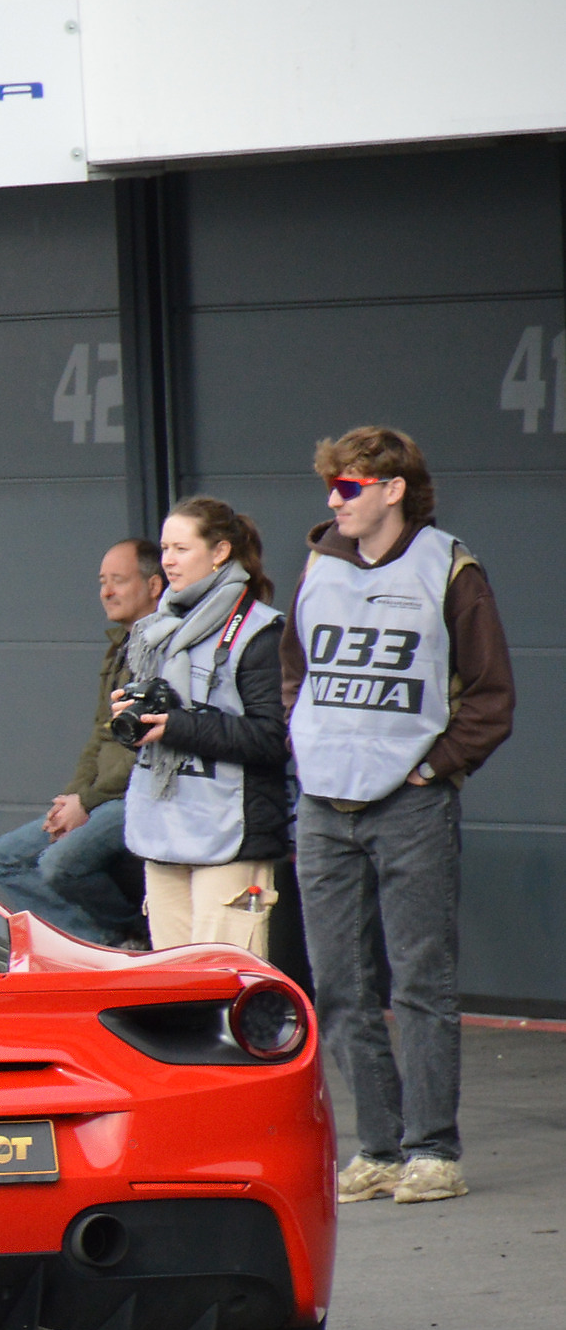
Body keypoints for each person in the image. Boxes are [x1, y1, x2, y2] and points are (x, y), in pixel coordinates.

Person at [285, 426, 516, 1207]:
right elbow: (294, 673)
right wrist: (306, 743)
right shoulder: (319, 565)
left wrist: (434, 768)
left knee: (421, 980)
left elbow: (490, 694)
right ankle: (379, 1149)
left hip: (410, 804)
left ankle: (433, 1151)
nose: (334, 500)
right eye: (332, 485)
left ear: (393, 489)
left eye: (349, 486)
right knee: (339, 985)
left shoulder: (449, 568)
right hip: (323, 805)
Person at [115, 499, 291, 957]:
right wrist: (137, 718)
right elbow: (158, 733)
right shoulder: (157, 629)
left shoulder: (260, 632)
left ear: (220, 552)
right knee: (172, 984)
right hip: (163, 830)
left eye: (181, 548)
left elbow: (274, 738)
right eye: (164, 549)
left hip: (229, 835)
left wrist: (177, 726)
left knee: (223, 980)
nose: (168, 561)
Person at [0, 540, 163, 946]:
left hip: (139, 795)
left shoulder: (162, 650)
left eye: (118, 580)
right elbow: (101, 735)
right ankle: (105, 943)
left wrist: (88, 802)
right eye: (102, 582)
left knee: (58, 864)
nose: (106, 592)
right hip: (101, 797)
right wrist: (72, 799)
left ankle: (134, 937)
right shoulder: (120, 647)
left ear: (154, 586)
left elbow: (144, 752)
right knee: (4, 859)